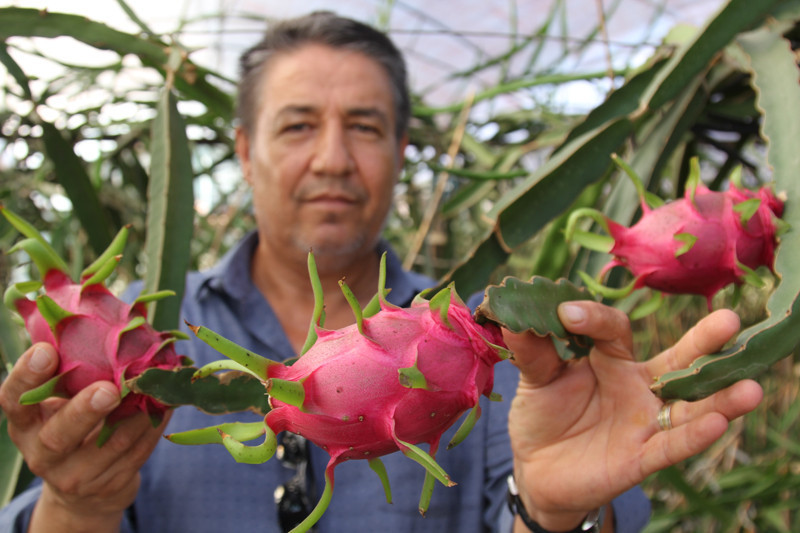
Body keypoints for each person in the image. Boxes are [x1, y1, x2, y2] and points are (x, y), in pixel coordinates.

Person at [0, 11, 763, 533]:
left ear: (401, 153)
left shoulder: (497, 357)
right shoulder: (146, 352)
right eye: (298, 125)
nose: (332, 158)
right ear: (242, 150)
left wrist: (556, 514)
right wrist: (74, 506)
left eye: (364, 127)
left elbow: (552, 507)